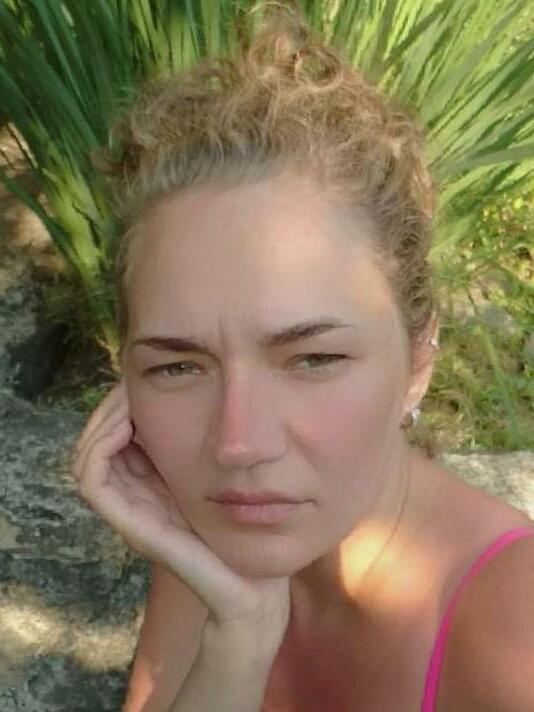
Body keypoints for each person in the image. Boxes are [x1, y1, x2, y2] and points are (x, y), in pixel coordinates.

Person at [71, 3, 534, 711]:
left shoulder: (515, 631)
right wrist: (241, 633)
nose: (238, 445)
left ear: (418, 359)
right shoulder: (210, 536)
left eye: (313, 359)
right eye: (177, 367)